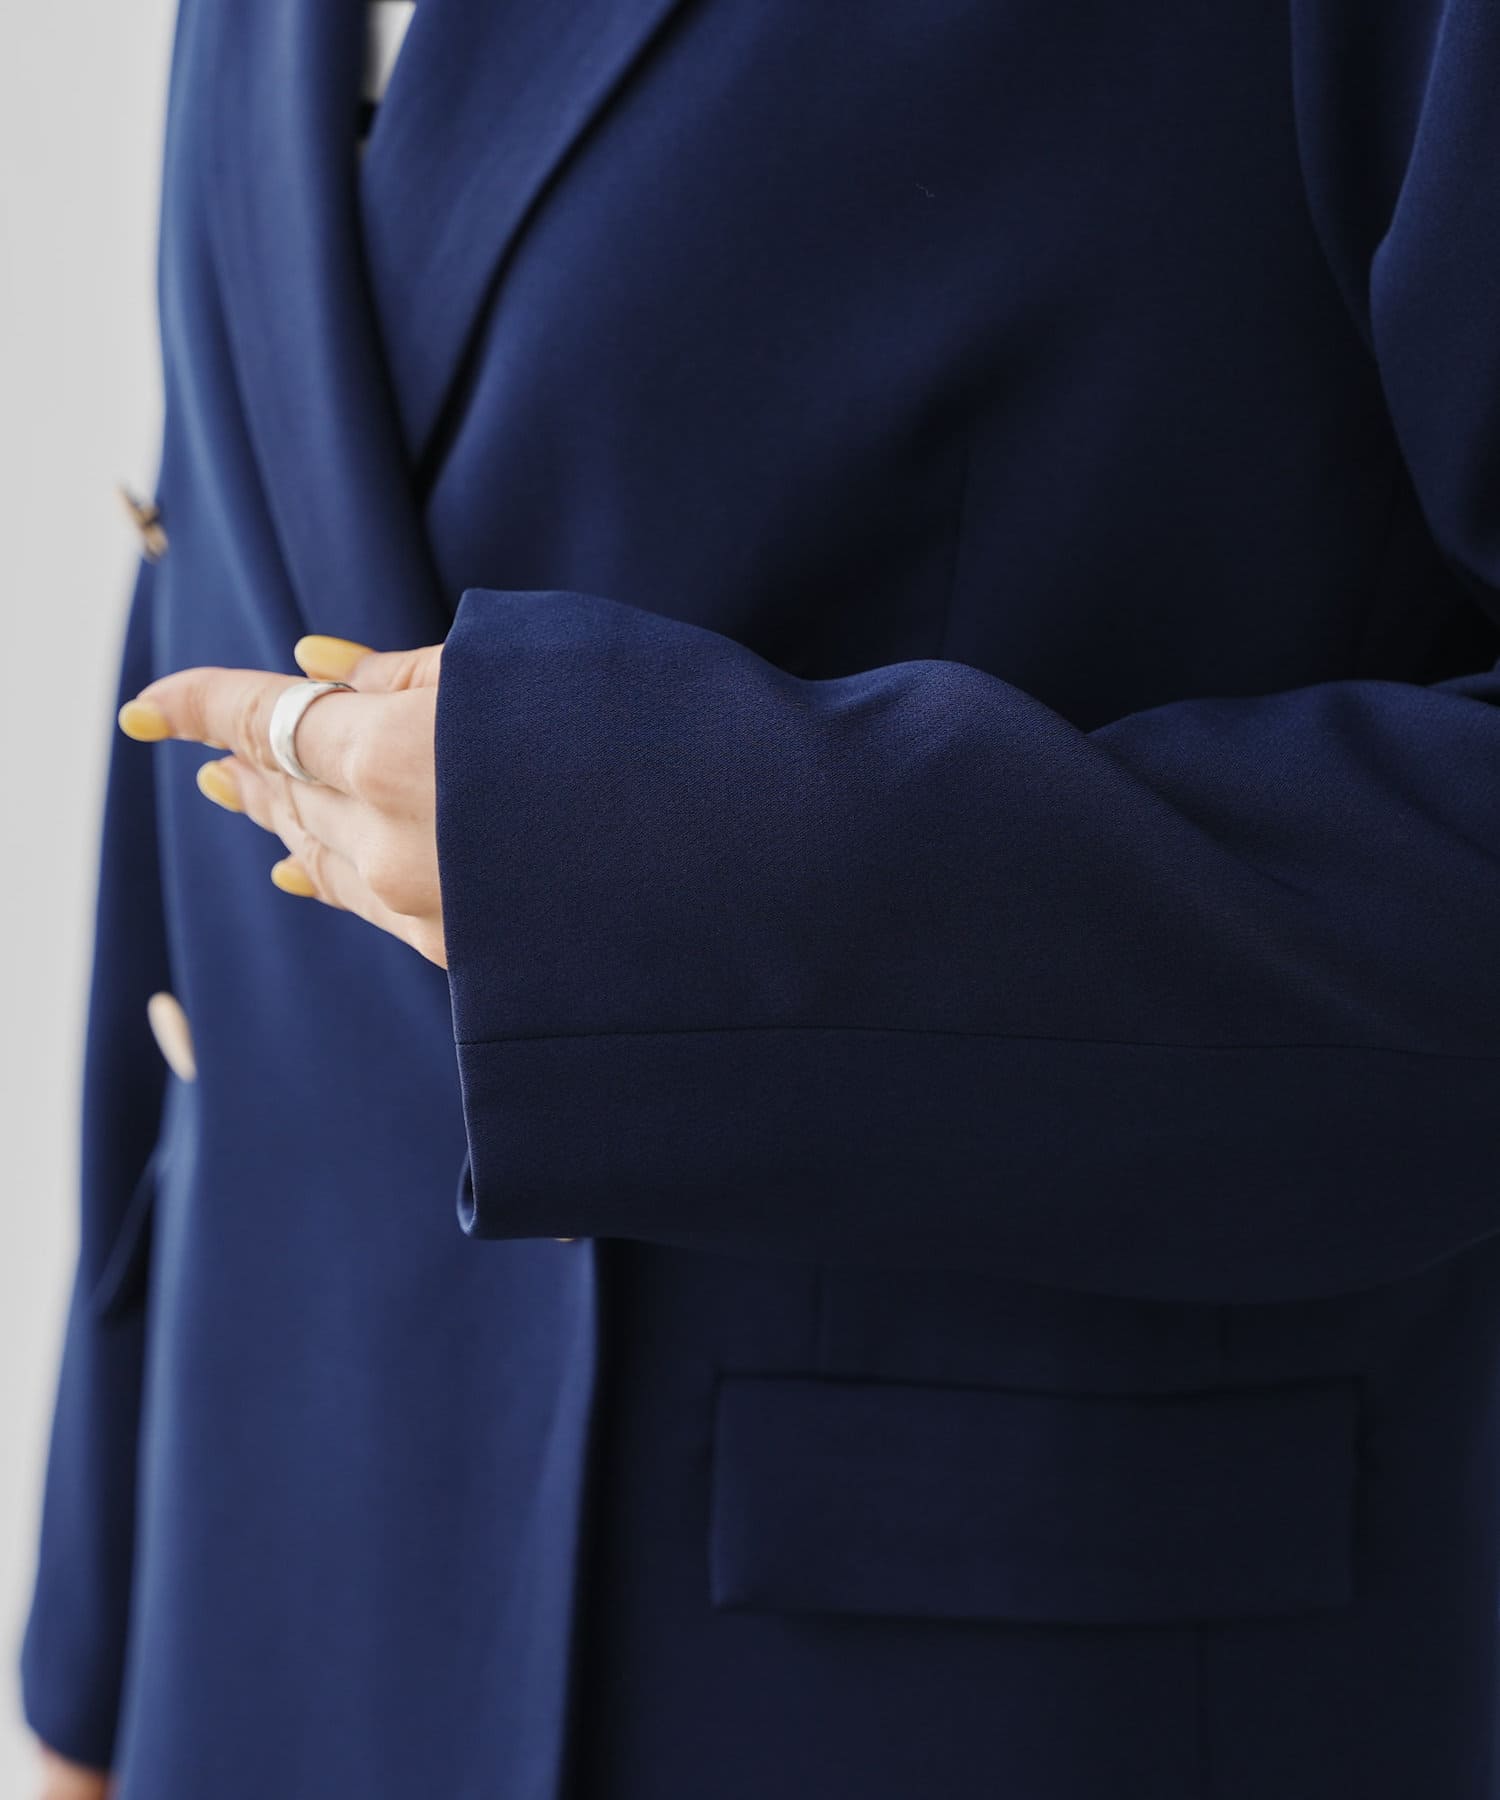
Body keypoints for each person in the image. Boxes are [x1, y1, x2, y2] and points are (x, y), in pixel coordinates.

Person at [21, 0, 1500, 1795]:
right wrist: (95, 1633)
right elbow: (235, 558)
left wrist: (663, 866)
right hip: (261, 1626)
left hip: (965, 1667)